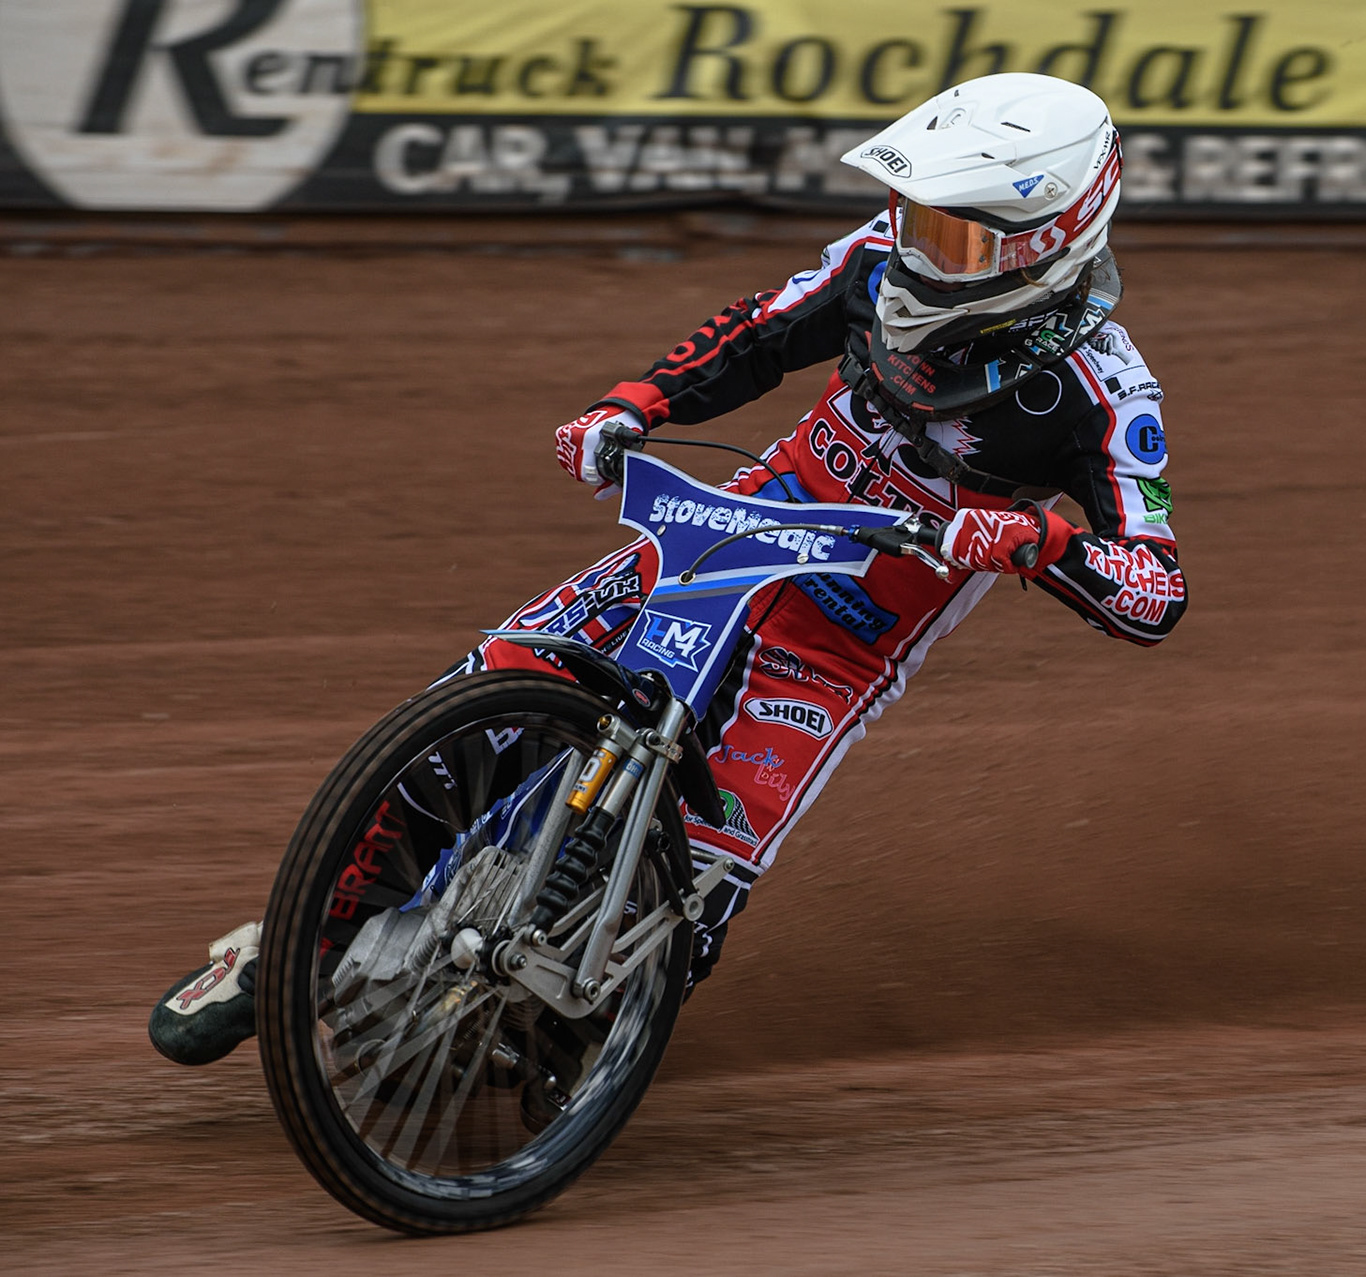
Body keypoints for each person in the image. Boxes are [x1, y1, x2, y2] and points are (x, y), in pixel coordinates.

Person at [150, 71, 1187, 1067]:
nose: (917, 245)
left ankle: (576, 1047)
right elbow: (758, 331)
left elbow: (1155, 587)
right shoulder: (881, 260)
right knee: (481, 699)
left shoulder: (1105, 391)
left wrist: (1039, 542)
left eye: (954, 235)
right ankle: (299, 940)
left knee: (695, 882)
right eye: (913, 215)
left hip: (838, 638)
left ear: (1047, 241)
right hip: (716, 539)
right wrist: (631, 405)